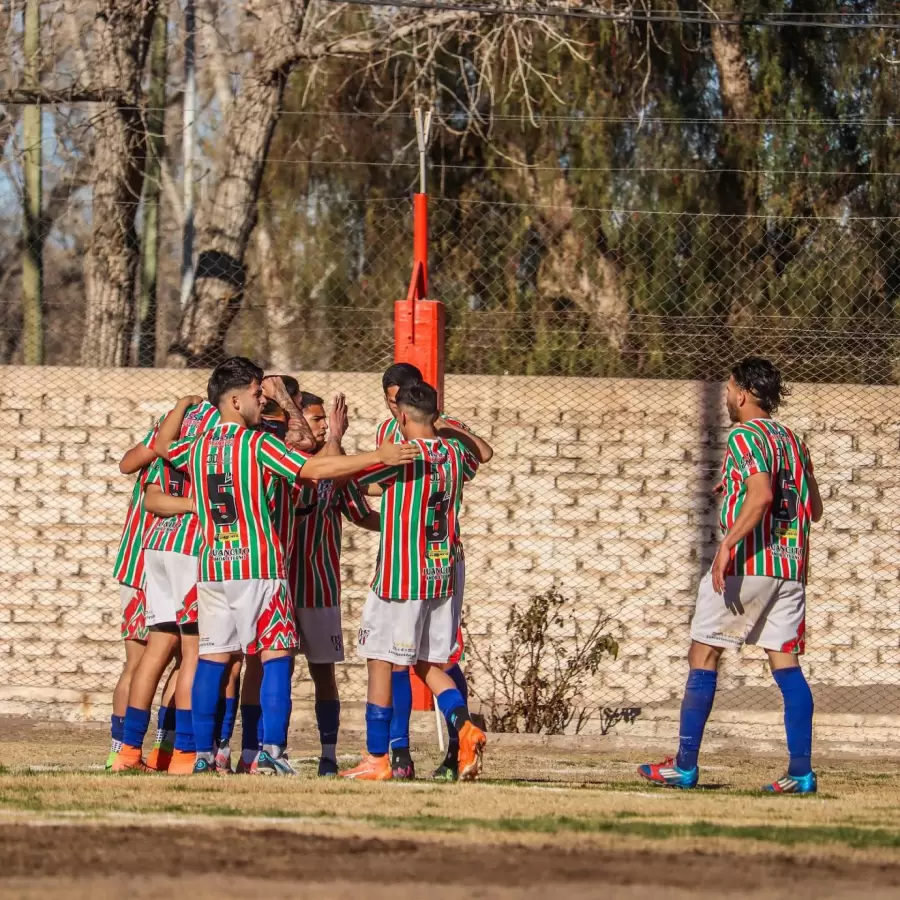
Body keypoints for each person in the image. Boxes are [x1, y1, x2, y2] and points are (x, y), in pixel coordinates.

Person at [154, 357, 418, 776]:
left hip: (213, 567)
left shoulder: (199, 446)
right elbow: (313, 467)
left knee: (213, 658)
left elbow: (163, 448)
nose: (263, 400)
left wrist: (180, 410)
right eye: (258, 393)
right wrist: (377, 455)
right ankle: (271, 753)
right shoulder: (256, 444)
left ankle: (203, 755)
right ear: (236, 400)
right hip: (258, 566)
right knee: (276, 654)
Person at [638, 358, 824, 793]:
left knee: (703, 655)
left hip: (749, 563)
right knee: (787, 667)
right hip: (790, 565)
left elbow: (760, 498)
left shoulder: (744, 435)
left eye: (727, 389)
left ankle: (683, 765)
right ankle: (800, 773)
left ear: (741, 393)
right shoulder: (793, 440)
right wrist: (737, 487)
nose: (725, 397)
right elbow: (810, 509)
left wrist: (726, 545)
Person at [342, 382, 487, 782]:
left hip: (400, 574)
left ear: (402, 416)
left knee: (380, 659)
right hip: (440, 572)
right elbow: (481, 456)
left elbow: (350, 478)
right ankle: (464, 726)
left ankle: (378, 759)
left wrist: (339, 444)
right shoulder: (456, 456)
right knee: (425, 662)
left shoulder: (402, 456)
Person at [111, 397, 221, 774]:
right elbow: (131, 467)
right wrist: (197, 506)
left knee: (156, 652)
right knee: (192, 653)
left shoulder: (171, 432)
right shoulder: (221, 431)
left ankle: (130, 751)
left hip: (155, 546)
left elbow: (151, 495)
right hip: (188, 549)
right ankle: (183, 754)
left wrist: (176, 411)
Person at [290, 391, 380, 775]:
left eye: (326, 420)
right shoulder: (283, 460)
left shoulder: (337, 469)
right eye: (316, 419)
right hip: (278, 582)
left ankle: (328, 754)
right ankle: (251, 750)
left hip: (321, 585)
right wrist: (335, 443)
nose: (325, 426)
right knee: (261, 667)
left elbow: (362, 514)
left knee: (323, 672)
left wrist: (404, 523)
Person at [108, 418, 166, 769]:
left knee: (176, 658)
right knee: (140, 660)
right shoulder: (163, 447)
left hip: (169, 565)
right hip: (144, 567)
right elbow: (127, 463)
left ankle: (159, 748)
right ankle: (122, 750)